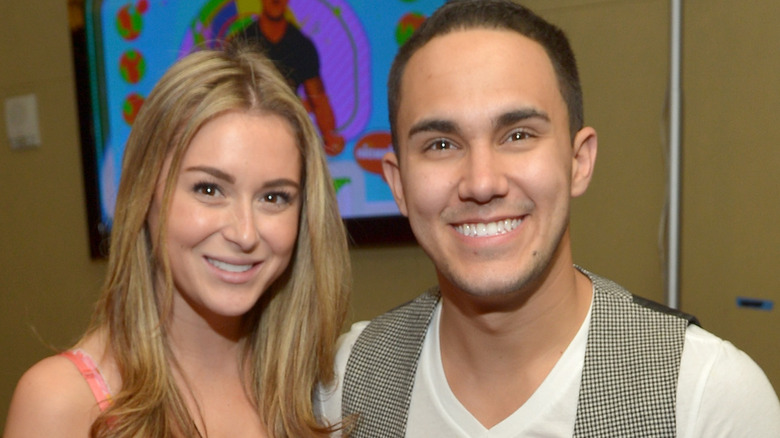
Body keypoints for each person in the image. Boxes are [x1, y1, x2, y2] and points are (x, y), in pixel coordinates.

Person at [318, 1, 780, 436]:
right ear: (398, 184)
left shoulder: (705, 396)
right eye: (441, 144)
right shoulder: (345, 382)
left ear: (579, 161)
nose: (482, 182)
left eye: (517, 135)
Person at [5, 43, 350, 437]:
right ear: (144, 192)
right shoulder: (63, 403)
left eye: (274, 197)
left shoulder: (317, 392)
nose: (245, 233)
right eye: (209, 189)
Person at [237, 0, 345, 156]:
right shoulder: (241, 42)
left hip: (286, 139)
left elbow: (318, 98)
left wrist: (329, 134)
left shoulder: (302, 46)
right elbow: (227, 94)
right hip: (246, 137)